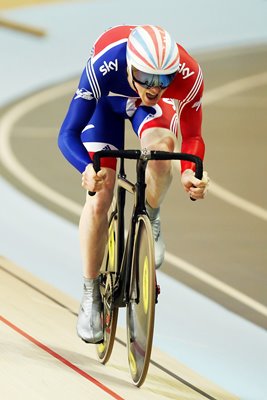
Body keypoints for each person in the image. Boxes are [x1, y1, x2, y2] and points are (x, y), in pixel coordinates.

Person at [58, 24, 209, 344]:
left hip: (146, 114)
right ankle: (90, 295)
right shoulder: (104, 66)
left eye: (163, 80)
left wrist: (188, 172)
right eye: (147, 78)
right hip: (105, 107)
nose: (155, 88)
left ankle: (151, 218)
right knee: (100, 196)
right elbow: (67, 134)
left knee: (162, 152)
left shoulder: (187, 74)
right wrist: (86, 168)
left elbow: (192, 137)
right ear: (131, 66)